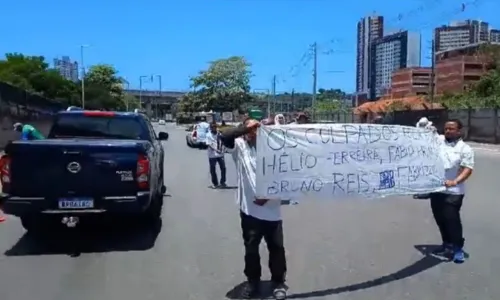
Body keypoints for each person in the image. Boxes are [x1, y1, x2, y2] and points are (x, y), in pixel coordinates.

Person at [219, 119, 288, 299]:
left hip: (272, 210)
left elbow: (285, 175)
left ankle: (278, 282)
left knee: (276, 248)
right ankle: (253, 282)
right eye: (249, 129)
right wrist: (245, 127)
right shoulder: (240, 147)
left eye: (256, 129)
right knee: (251, 249)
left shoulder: (275, 148)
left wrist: (268, 196)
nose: (252, 133)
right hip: (249, 211)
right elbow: (224, 136)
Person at [430, 119, 474, 263]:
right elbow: (426, 134)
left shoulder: (465, 148)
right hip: (437, 189)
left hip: (454, 192)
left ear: (459, 131)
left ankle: (457, 249)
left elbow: (468, 169)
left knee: (451, 220)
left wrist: (455, 181)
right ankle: (446, 244)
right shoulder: (439, 142)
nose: (448, 131)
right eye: (446, 128)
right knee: (440, 220)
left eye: (451, 129)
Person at [206, 122, 226, 188]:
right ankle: (215, 183)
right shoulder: (208, 135)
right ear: (210, 128)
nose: (214, 128)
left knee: (223, 168)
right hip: (212, 155)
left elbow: (223, 141)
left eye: (215, 127)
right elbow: (209, 144)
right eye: (212, 127)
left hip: (220, 154)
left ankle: (222, 182)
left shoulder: (220, 133)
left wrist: (223, 149)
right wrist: (216, 149)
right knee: (213, 169)